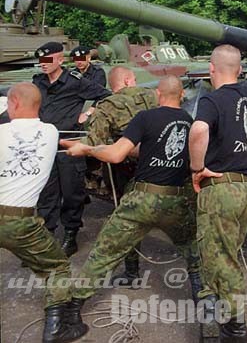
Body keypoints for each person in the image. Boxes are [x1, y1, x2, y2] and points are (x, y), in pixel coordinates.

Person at [63, 76, 208, 313]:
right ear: (182, 95)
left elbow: (116, 156)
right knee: (194, 253)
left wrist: (87, 148)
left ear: (158, 95)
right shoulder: (188, 120)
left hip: (142, 200)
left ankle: (71, 311)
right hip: (178, 201)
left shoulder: (145, 117)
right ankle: (206, 310)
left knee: (105, 252)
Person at [189, 44, 247, 342]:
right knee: (225, 253)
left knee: (218, 258)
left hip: (220, 186)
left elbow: (198, 131)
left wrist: (197, 168)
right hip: (246, 187)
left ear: (212, 69)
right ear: (239, 69)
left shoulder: (212, 99)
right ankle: (216, 320)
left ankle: (235, 329)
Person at [0, 83, 88, 343]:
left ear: (13, 103)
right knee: (57, 267)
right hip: (20, 221)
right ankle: (55, 330)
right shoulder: (50, 133)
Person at [77, 65, 158, 286]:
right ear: (130, 80)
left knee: (126, 220)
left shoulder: (107, 106)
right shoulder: (153, 96)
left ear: (113, 85)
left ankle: (132, 273)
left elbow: (96, 143)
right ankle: (200, 284)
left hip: (126, 169)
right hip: (159, 166)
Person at [32, 41, 111, 256]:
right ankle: (47, 236)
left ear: (59, 60)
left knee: (71, 192)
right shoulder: (37, 82)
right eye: (41, 60)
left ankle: (70, 234)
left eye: (48, 60)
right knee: (46, 193)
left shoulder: (75, 81)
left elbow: (105, 95)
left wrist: (89, 113)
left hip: (69, 144)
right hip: (45, 144)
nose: (43, 64)